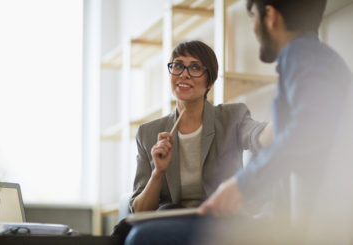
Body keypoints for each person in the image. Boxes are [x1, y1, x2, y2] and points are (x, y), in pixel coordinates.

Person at [125, 0, 353, 244]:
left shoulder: (301, 56)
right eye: (177, 67)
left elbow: (298, 133)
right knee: (140, 234)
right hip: (311, 213)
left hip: (308, 218)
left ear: (271, 16)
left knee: (141, 239)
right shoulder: (314, 58)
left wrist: (242, 186)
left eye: (253, 15)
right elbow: (301, 132)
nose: (253, 28)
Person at [129, 40, 272, 214]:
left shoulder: (232, 117)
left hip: (218, 219)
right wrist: (158, 172)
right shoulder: (147, 133)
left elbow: (255, 135)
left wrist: (285, 125)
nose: (184, 74)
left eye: (195, 68)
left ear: (209, 82)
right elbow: (139, 211)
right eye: (178, 66)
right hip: (170, 222)